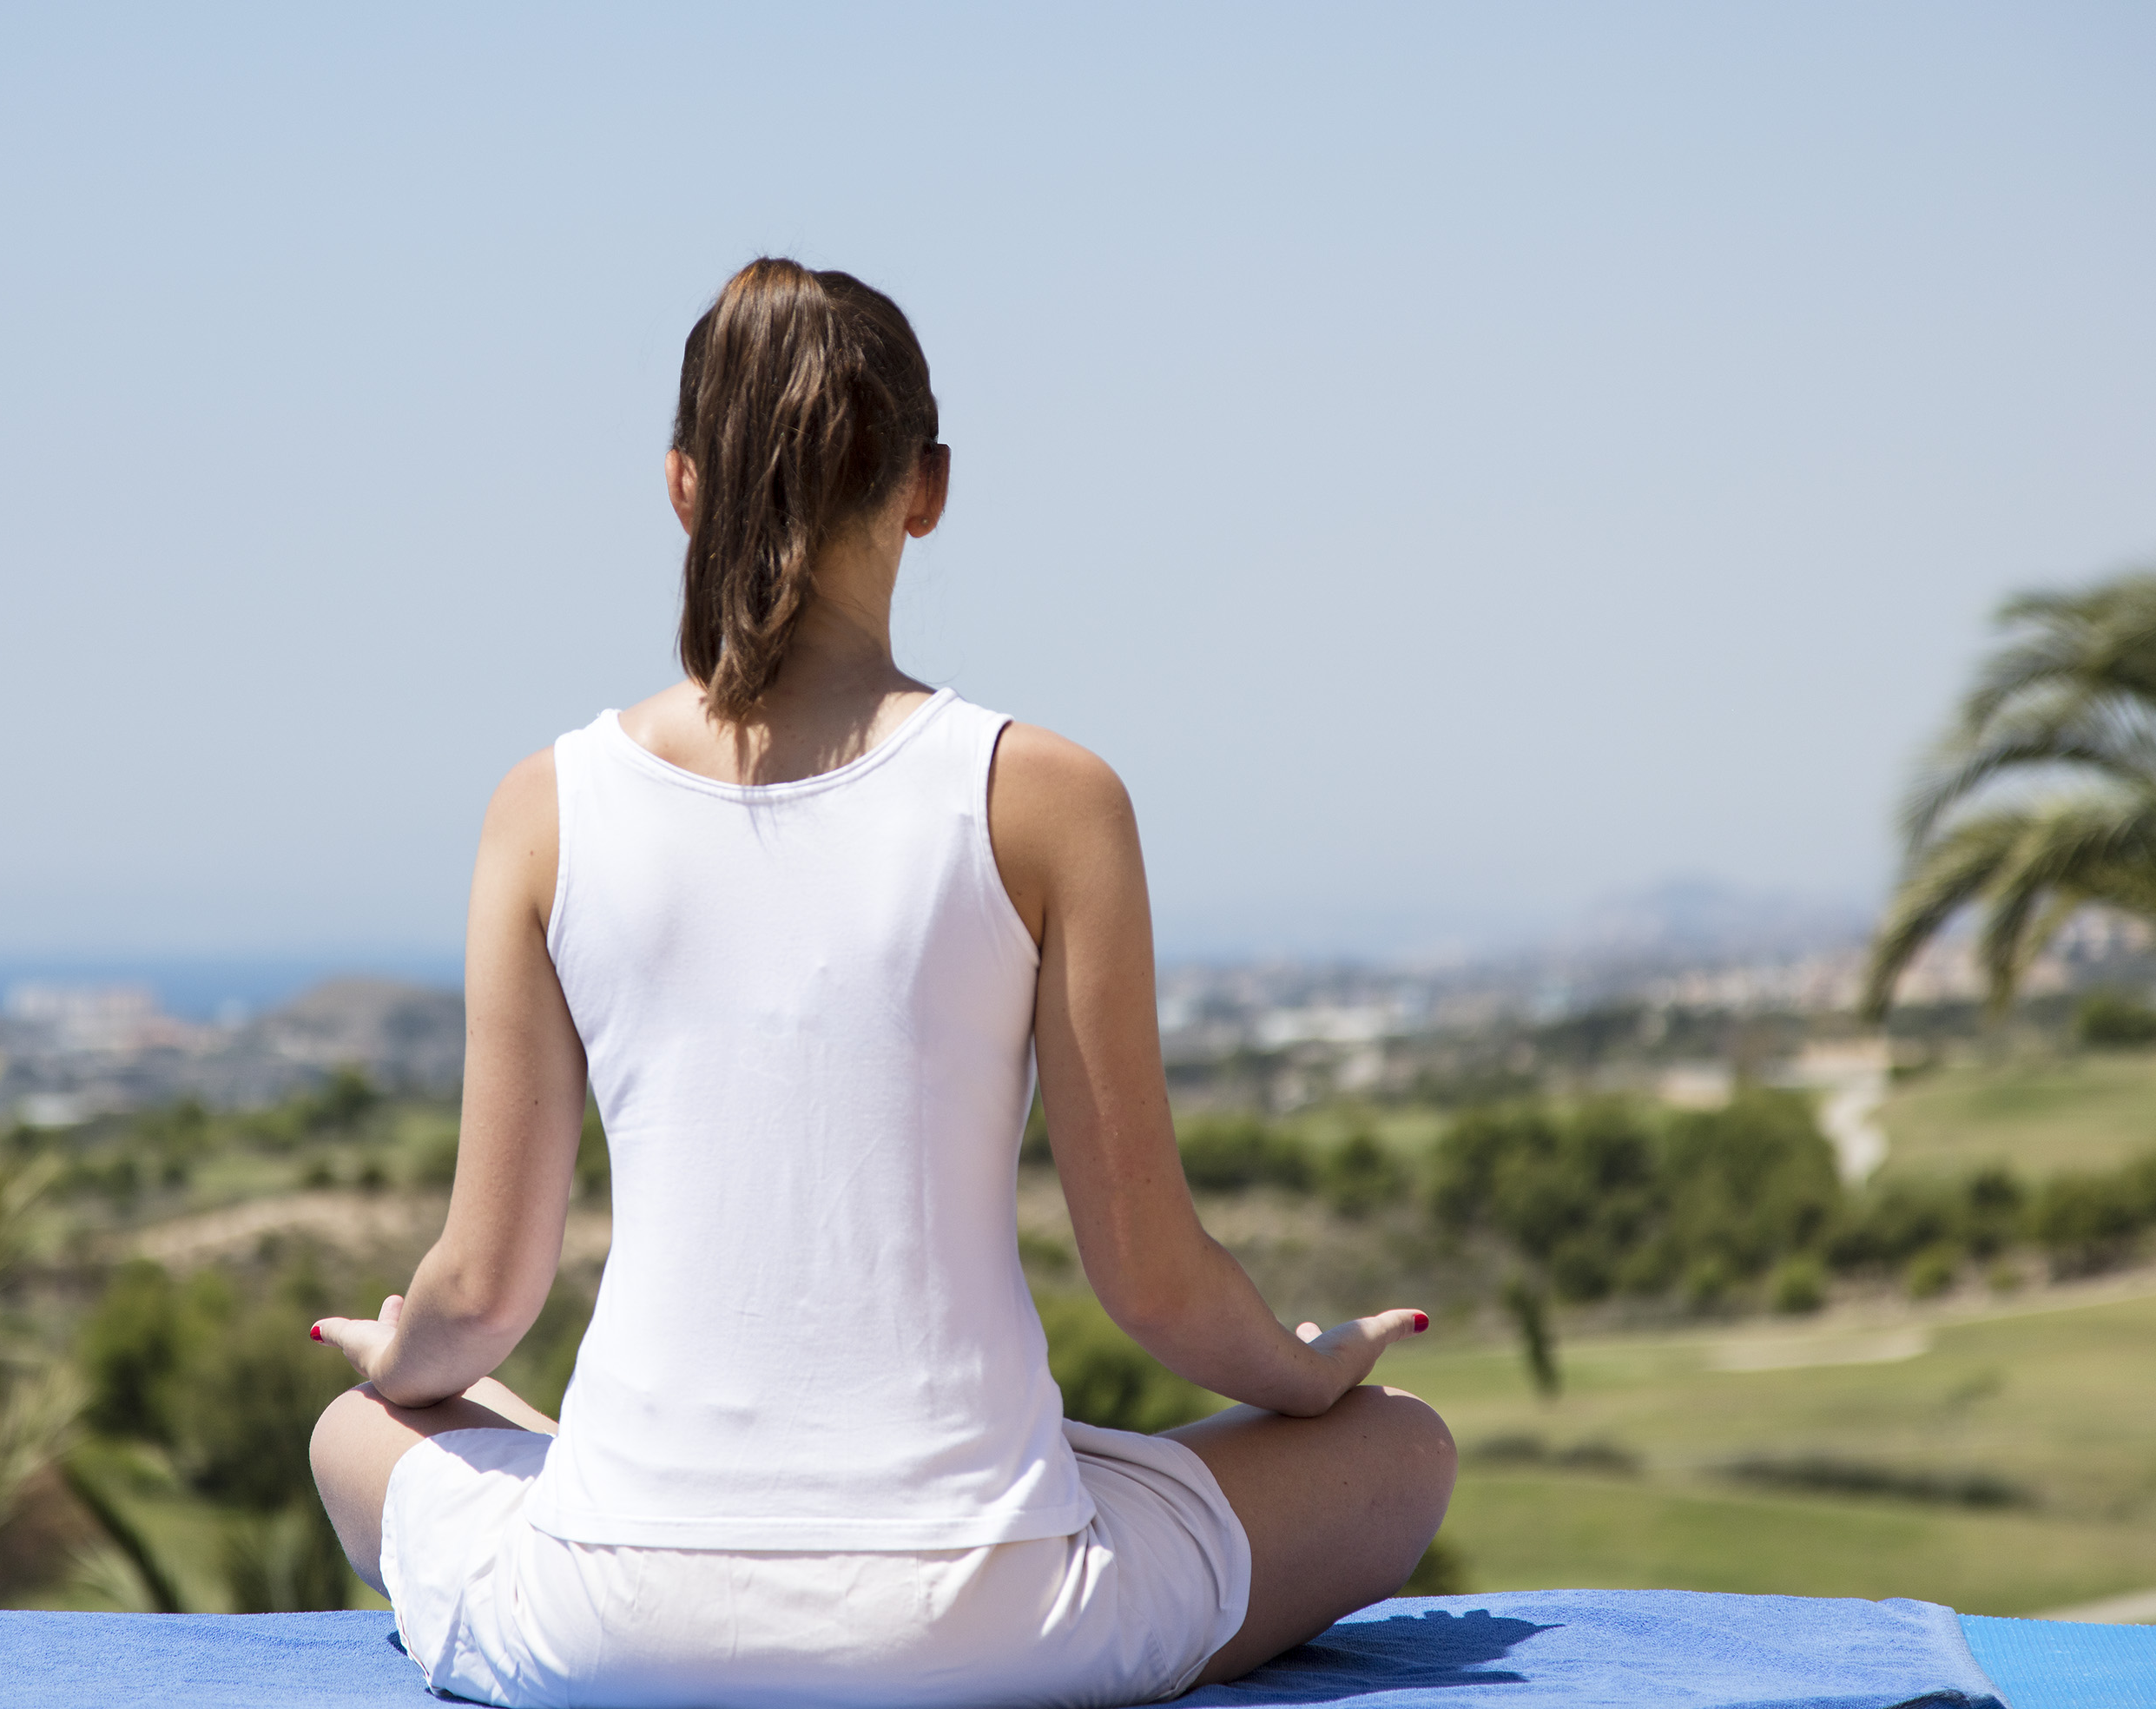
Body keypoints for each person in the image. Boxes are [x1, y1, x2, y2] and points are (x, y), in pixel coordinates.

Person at [307, 257, 1456, 1708]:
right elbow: (1156, 1289)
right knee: (1402, 1449)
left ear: (680, 484)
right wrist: (1307, 1375)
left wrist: (397, 1349)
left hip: (616, 1628)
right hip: (997, 1626)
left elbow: (479, 1295)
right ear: (926, 486)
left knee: (356, 1433)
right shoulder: (1049, 797)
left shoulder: (543, 806)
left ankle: (580, 1478)